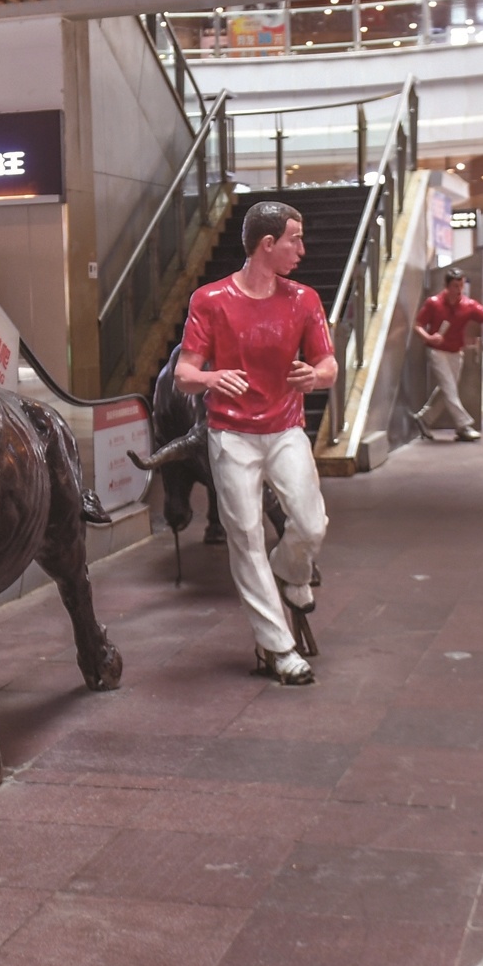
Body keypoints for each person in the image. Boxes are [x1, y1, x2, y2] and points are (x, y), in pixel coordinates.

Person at [178, 201, 337, 685]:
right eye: (295, 239)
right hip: (231, 435)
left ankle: (290, 569)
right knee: (245, 535)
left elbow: (328, 365)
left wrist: (316, 376)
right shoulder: (210, 299)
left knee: (311, 523)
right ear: (268, 244)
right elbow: (184, 373)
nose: (302, 250)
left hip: (285, 428)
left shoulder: (304, 299)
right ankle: (278, 647)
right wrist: (211, 378)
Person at [412, 267, 483, 442]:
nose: (459, 290)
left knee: (447, 390)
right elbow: (418, 324)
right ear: (446, 286)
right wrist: (428, 337)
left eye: (461, 285)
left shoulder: (468, 305)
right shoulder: (433, 303)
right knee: (449, 389)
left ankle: (423, 419)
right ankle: (463, 426)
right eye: (455, 286)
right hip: (437, 351)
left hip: (455, 352)